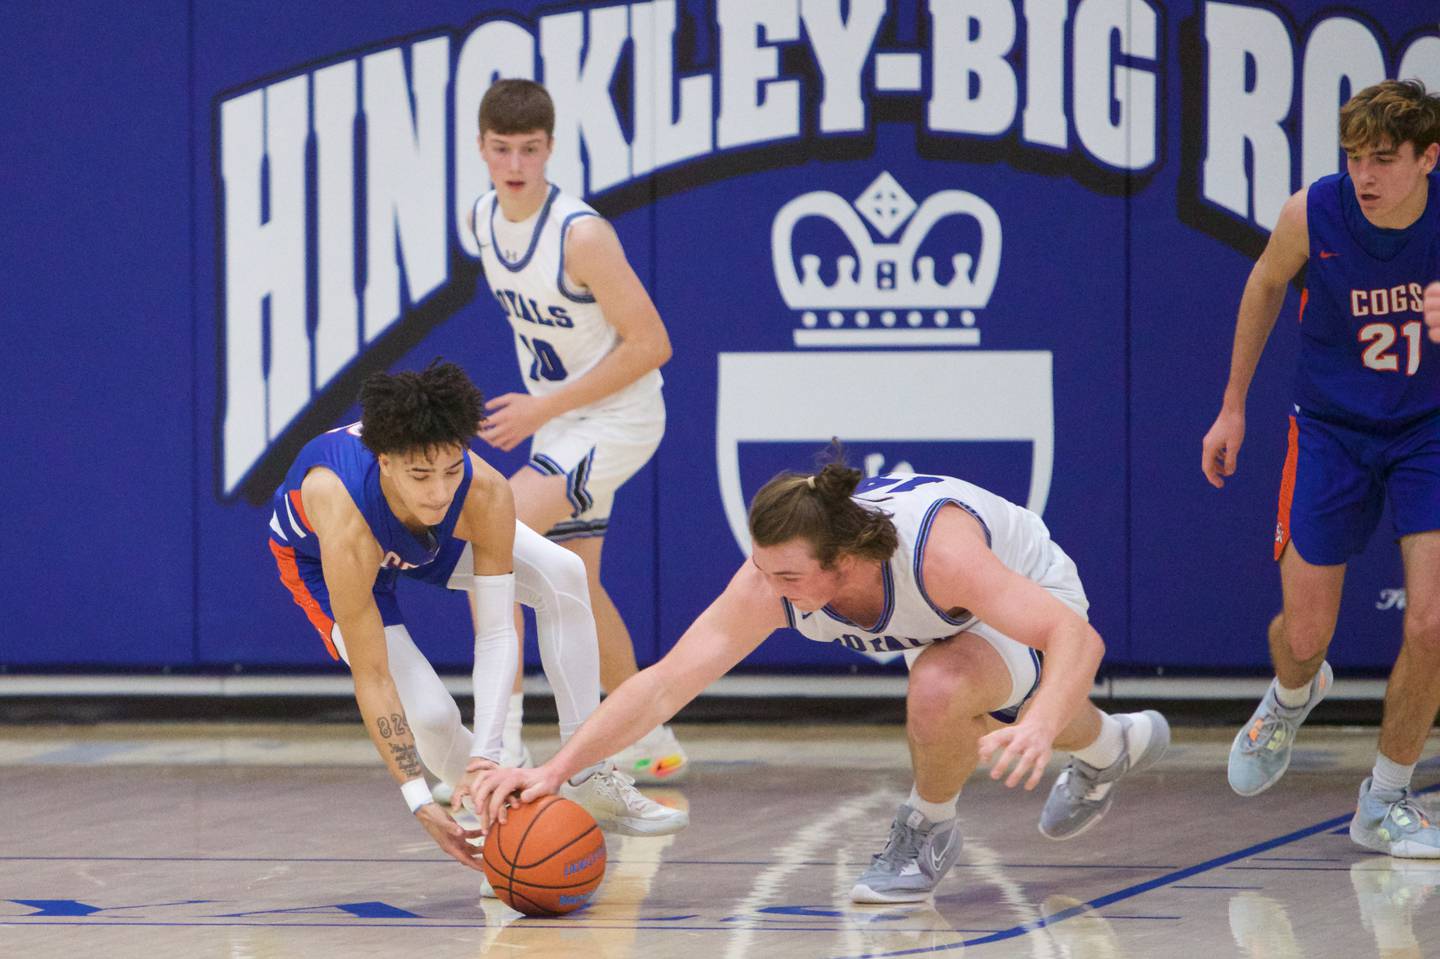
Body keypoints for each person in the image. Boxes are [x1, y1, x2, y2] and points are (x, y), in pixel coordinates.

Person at [469, 457, 1171, 903]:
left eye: (789, 577)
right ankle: (1111, 746)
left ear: (845, 561)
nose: (769, 588)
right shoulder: (771, 580)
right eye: (763, 568)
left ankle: (925, 830)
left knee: (943, 687)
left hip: (1036, 592)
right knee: (965, 698)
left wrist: (1044, 722)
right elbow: (661, 686)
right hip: (955, 632)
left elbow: (1075, 637)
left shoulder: (940, 554)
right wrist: (557, 768)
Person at [266, 361, 686, 873]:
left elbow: (494, 630)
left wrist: (487, 752)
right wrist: (419, 798)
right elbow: (373, 678)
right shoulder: (341, 505)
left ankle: (587, 772)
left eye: (450, 470)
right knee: (432, 718)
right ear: (385, 461)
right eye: (421, 475)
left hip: (423, 536)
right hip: (322, 558)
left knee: (563, 573)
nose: (439, 491)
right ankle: (502, 831)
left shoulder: (479, 491)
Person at [1201, 79, 1440, 858]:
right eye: (1353, 156)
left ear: (1427, 158)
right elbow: (1267, 281)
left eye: (1383, 158)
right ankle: (1292, 693)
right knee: (1304, 633)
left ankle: (1386, 798)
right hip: (1331, 429)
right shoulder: (1314, 211)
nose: (1364, 174)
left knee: (1432, 623)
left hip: (1429, 432)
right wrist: (1233, 404)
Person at [468, 77, 686, 781]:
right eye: (502, 148)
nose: (516, 165)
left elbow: (652, 343)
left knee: (489, 539)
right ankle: (650, 736)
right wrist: (548, 410)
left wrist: (542, 407)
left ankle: (500, 745)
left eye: (530, 149)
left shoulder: (581, 234)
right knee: (577, 583)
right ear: (481, 148)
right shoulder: (481, 220)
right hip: (563, 422)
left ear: (551, 149)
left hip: (618, 418)